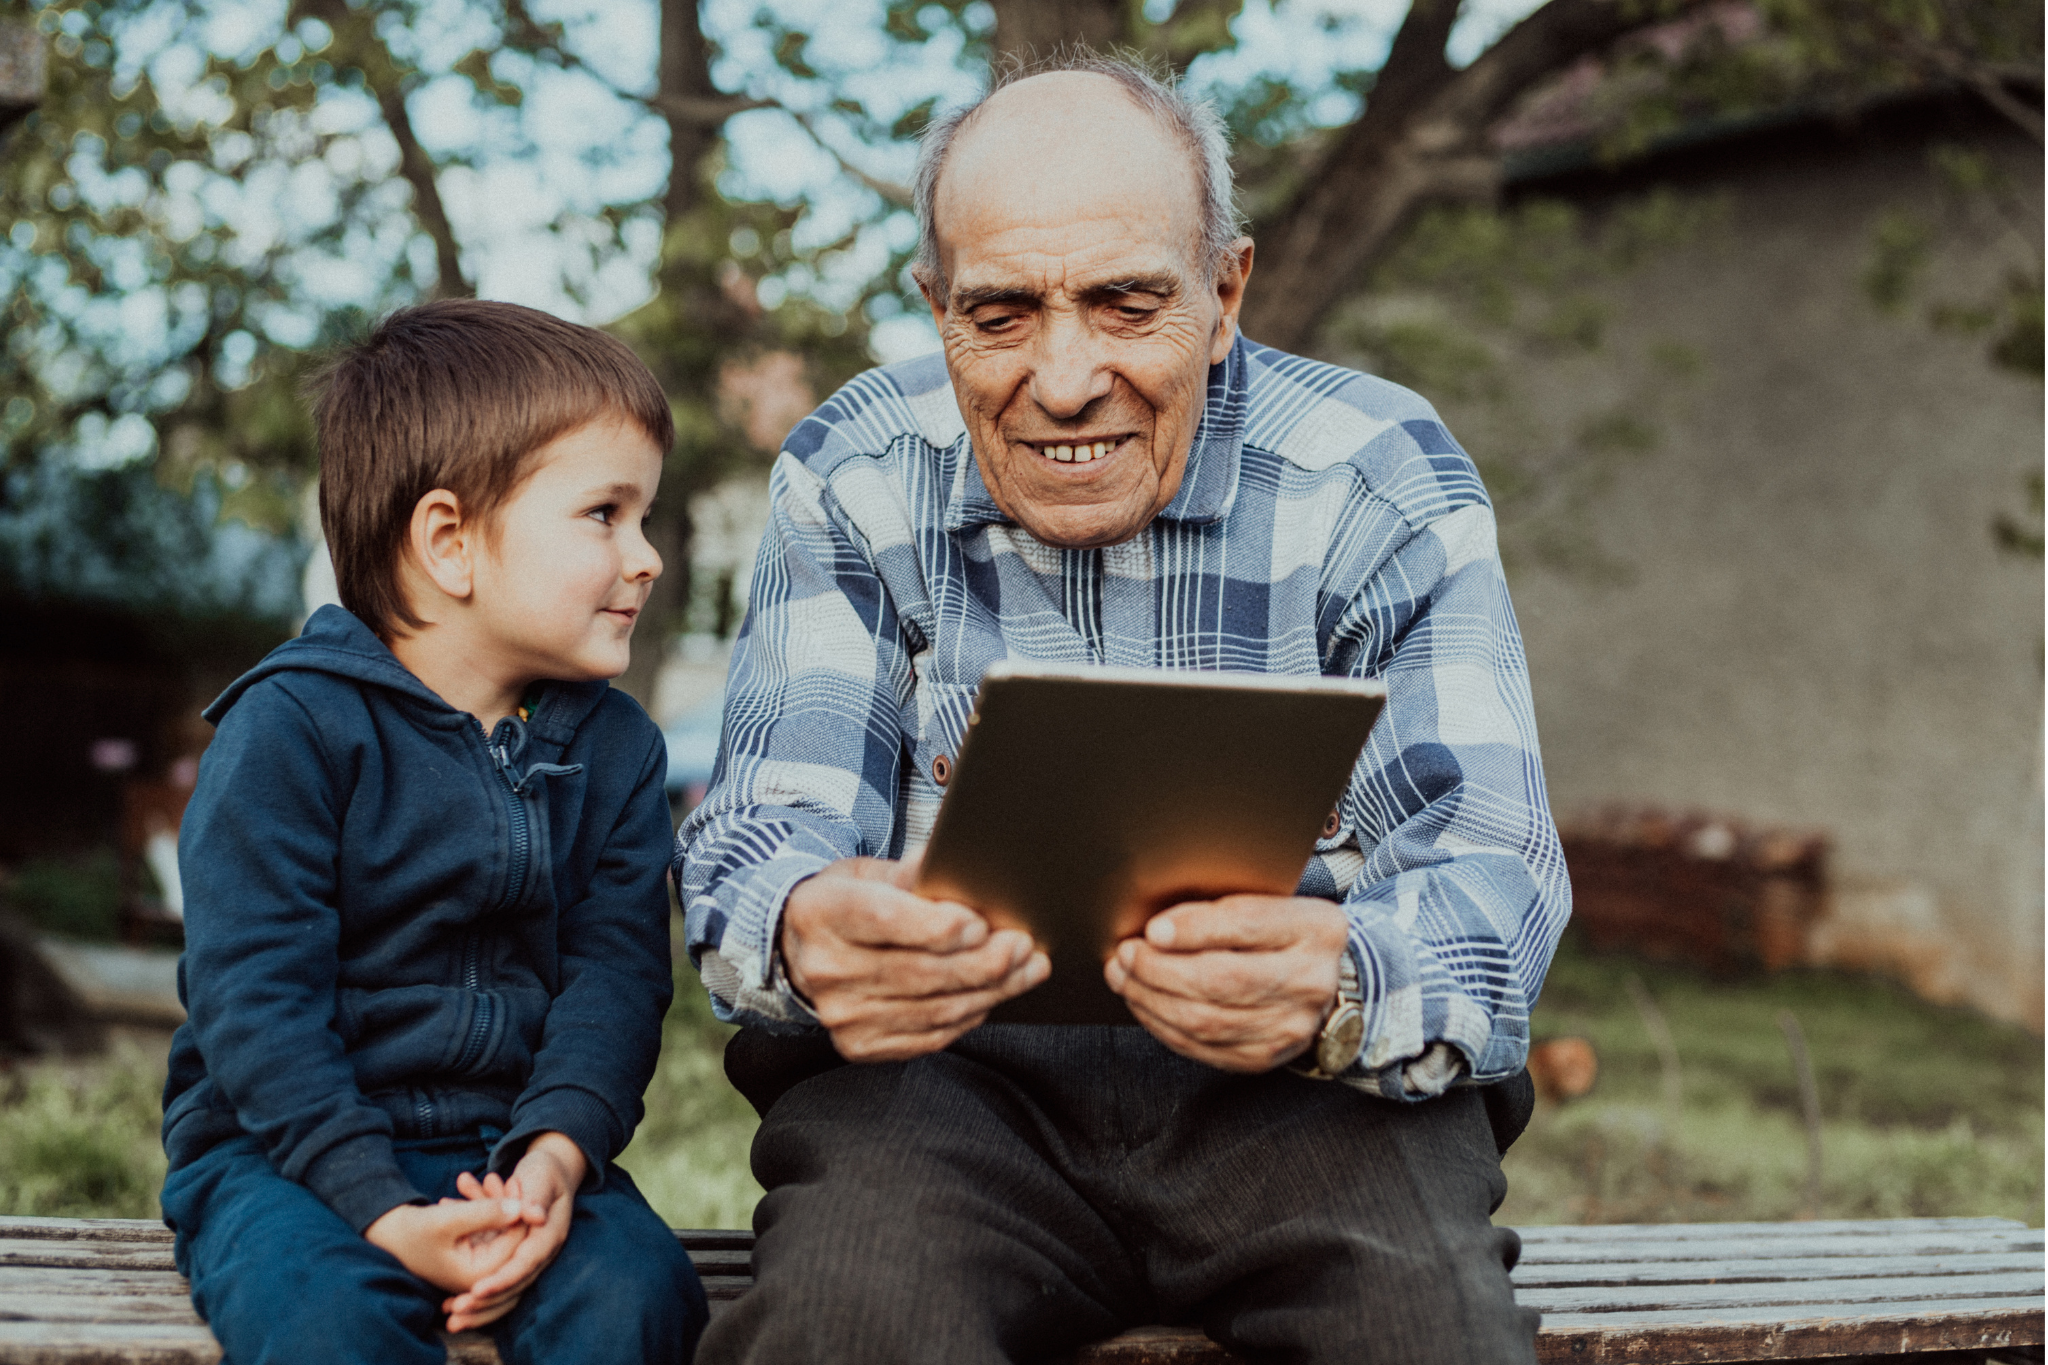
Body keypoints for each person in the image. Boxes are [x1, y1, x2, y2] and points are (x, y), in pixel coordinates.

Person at [678, 52, 1568, 1365]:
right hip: (945, 1097)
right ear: (936, 308)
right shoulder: (853, 473)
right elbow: (758, 841)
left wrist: (1348, 972)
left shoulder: (1378, 477)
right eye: (1001, 313)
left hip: (1308, 1095)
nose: (1066, 375)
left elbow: (1491, 871)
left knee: (1425, 1336)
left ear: (1225, 293)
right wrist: (804, 927)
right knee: (848, 1323)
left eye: (1125, 301)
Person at [159, 300, 706, 1365]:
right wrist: (382, 1210)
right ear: (449, 542)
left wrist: (553, 1159)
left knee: (637, 1297)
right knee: (325, 1324)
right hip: (287, 1157)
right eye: (603, 514)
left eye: (645, 517)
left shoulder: (616, 751)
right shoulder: (292, 732)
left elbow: (615, 987)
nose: (643, 557)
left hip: (510, 1149)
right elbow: (253, 1005)